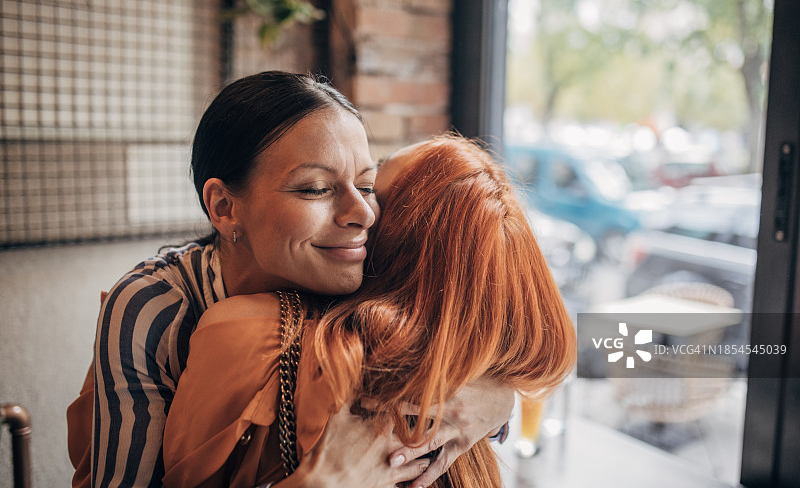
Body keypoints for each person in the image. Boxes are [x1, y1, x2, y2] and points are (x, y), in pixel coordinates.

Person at [67, 72, 514, 488]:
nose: (363, 214)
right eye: (316, 189)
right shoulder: (151, 308)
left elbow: (464, 331)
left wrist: (497, 401)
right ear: (224, 207)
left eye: (367, 185)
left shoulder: (356, 271)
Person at [161, 134, 577, 487]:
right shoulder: (472, 396)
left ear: (394, 242)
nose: (358, 209)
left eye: (372, 189)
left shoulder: (241, 333)